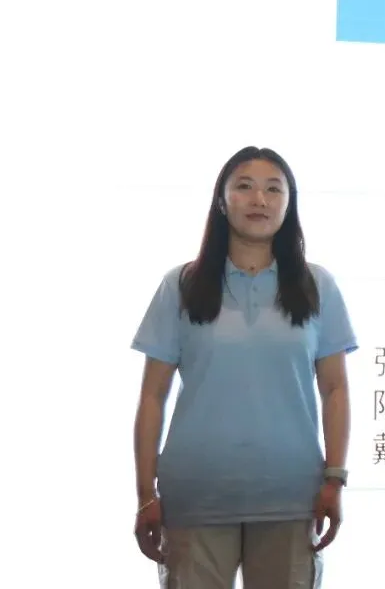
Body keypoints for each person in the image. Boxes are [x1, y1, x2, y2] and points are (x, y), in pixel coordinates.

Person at [130, 146, 358, 589]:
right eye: (245, 187)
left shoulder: (317, 285)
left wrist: (335, 478)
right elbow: (152, 396)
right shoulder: (181, 284)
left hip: (292, 497)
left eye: (274, 189)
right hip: (195, 496)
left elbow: (336, 389)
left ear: (289, 204)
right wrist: (144, 495)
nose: (259, 199)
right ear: (222, 200)